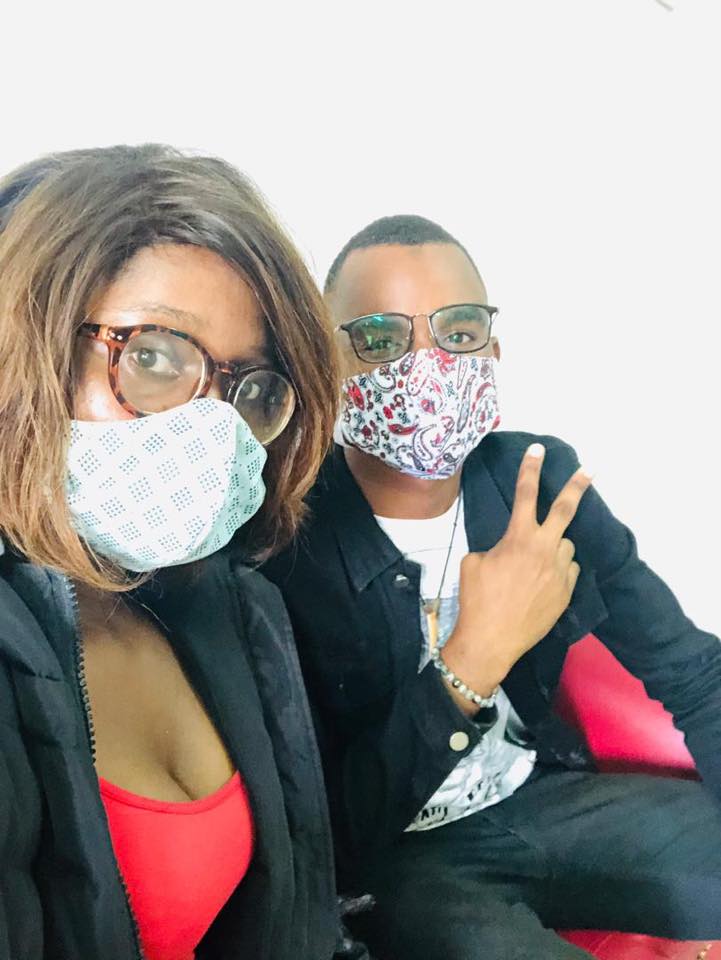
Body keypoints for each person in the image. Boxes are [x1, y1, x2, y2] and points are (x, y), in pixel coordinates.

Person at [262, 214, 721, 959]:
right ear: (327, 360)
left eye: (458, 332)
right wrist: (471, 662)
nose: (427, 365)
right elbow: (322, 830)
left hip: (542, 799)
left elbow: (692, 672)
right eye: (379, 338)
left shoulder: (538, 484)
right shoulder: (285, 542)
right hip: (400, 862)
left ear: (492, 350)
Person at [0, 144, 350, 960]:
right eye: (153, 355)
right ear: (28, 345)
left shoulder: (230, 609)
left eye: (247, 386)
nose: (209, 427)